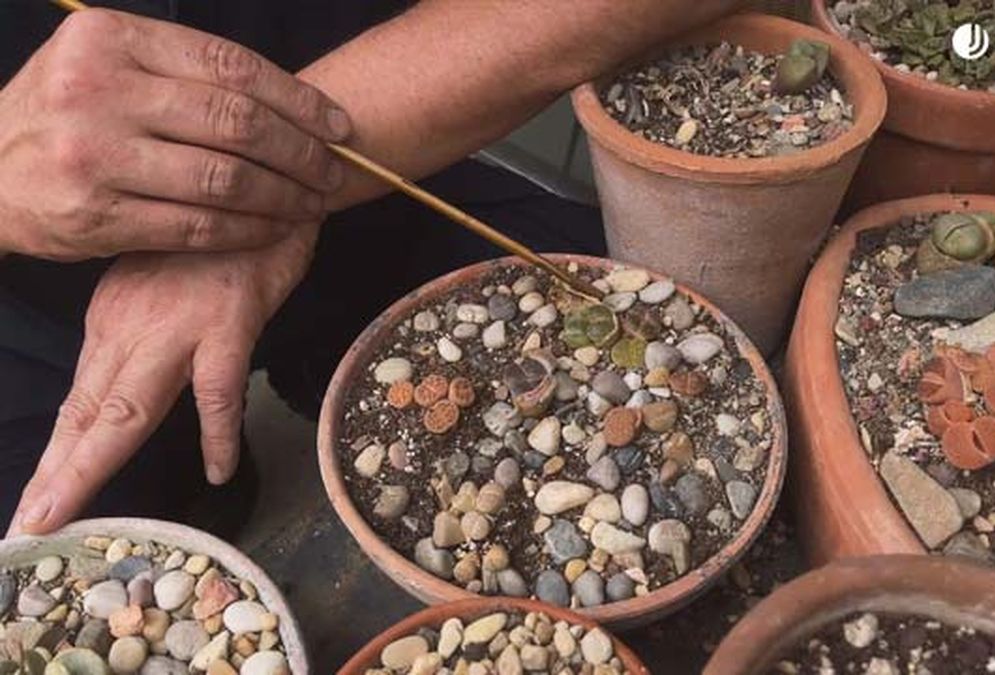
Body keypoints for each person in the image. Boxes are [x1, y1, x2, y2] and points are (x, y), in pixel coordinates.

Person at [1, 0, 744, 536]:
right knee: (102, 537)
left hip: (389, 165)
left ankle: (292, 388)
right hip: (33, 299)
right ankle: (207, 490)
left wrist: (269, 186)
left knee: (685, 354)